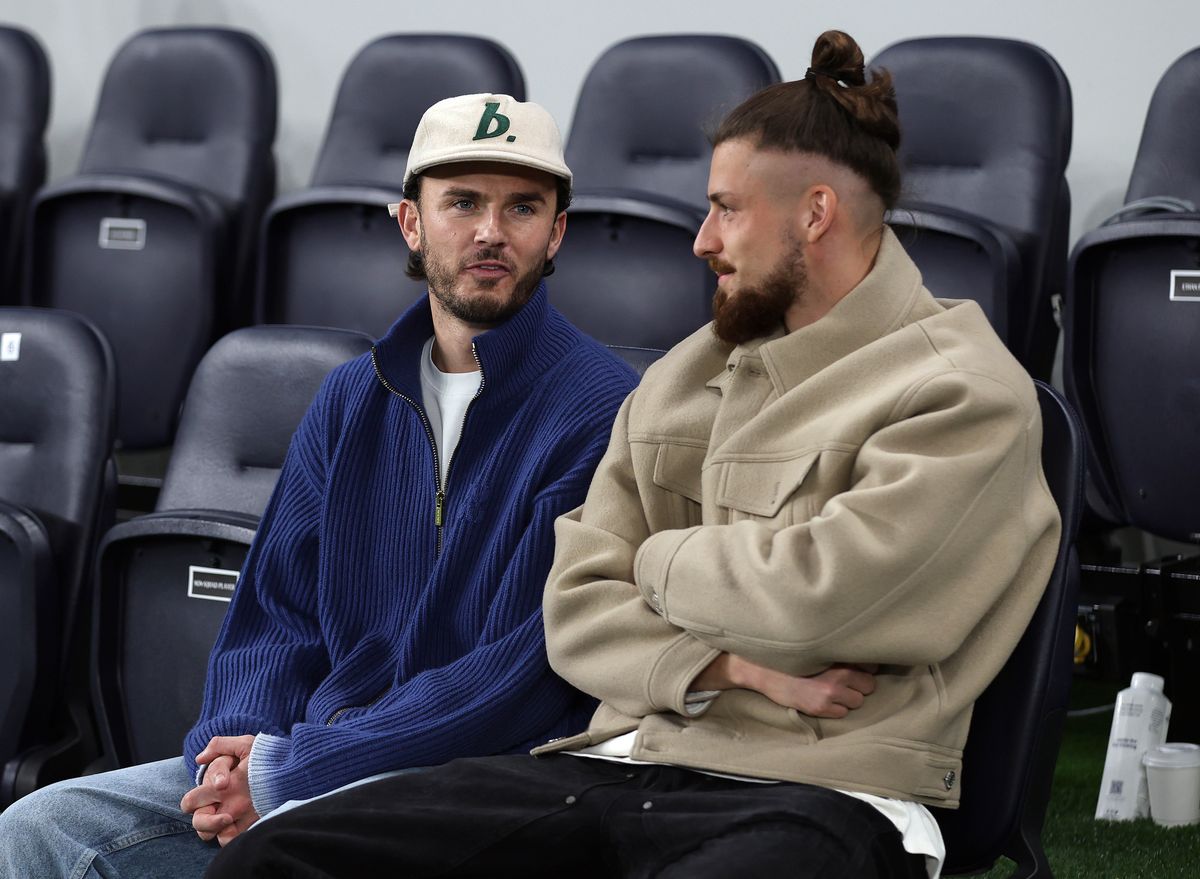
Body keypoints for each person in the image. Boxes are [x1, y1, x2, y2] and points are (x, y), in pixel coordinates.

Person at [206, 31, 1062, 879]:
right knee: (280, 857)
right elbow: (574, 610)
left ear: (814, 213)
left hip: (826, 790)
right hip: (612, 763)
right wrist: (721, 661)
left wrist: (653, 559)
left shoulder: (964, 391)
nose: (701, 239)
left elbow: (822, 599)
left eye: (727, 207)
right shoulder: (688, 374)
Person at [0, 94, 640, 878]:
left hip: (480, 783)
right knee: (40, 829)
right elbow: (274, 611)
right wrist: (229, 758)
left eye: (523, 208)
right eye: (463, 202)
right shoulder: (350, 397)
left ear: (556, 233)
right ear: (411, 223)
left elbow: (522, 676)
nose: (490, 233)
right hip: (304, 760)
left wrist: (287, 773)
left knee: (276, 854)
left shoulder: (601, 409)